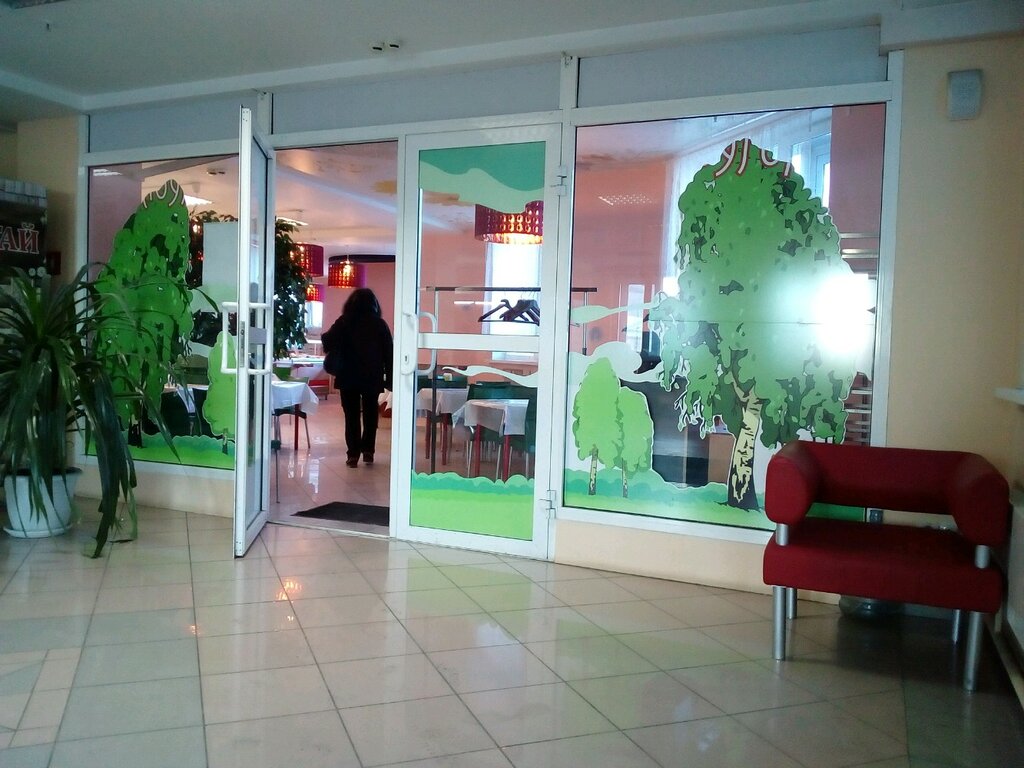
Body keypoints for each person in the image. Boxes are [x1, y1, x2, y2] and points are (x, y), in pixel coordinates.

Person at [321, 288, 393, 467]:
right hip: (372, 376)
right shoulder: (379, 324)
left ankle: (353, 454)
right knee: (370, 414)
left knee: (351, 415)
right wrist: (390, 379)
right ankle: (368, 450)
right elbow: (389, 353)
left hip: (348, 375)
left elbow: (327, 342)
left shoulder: (344, 321)